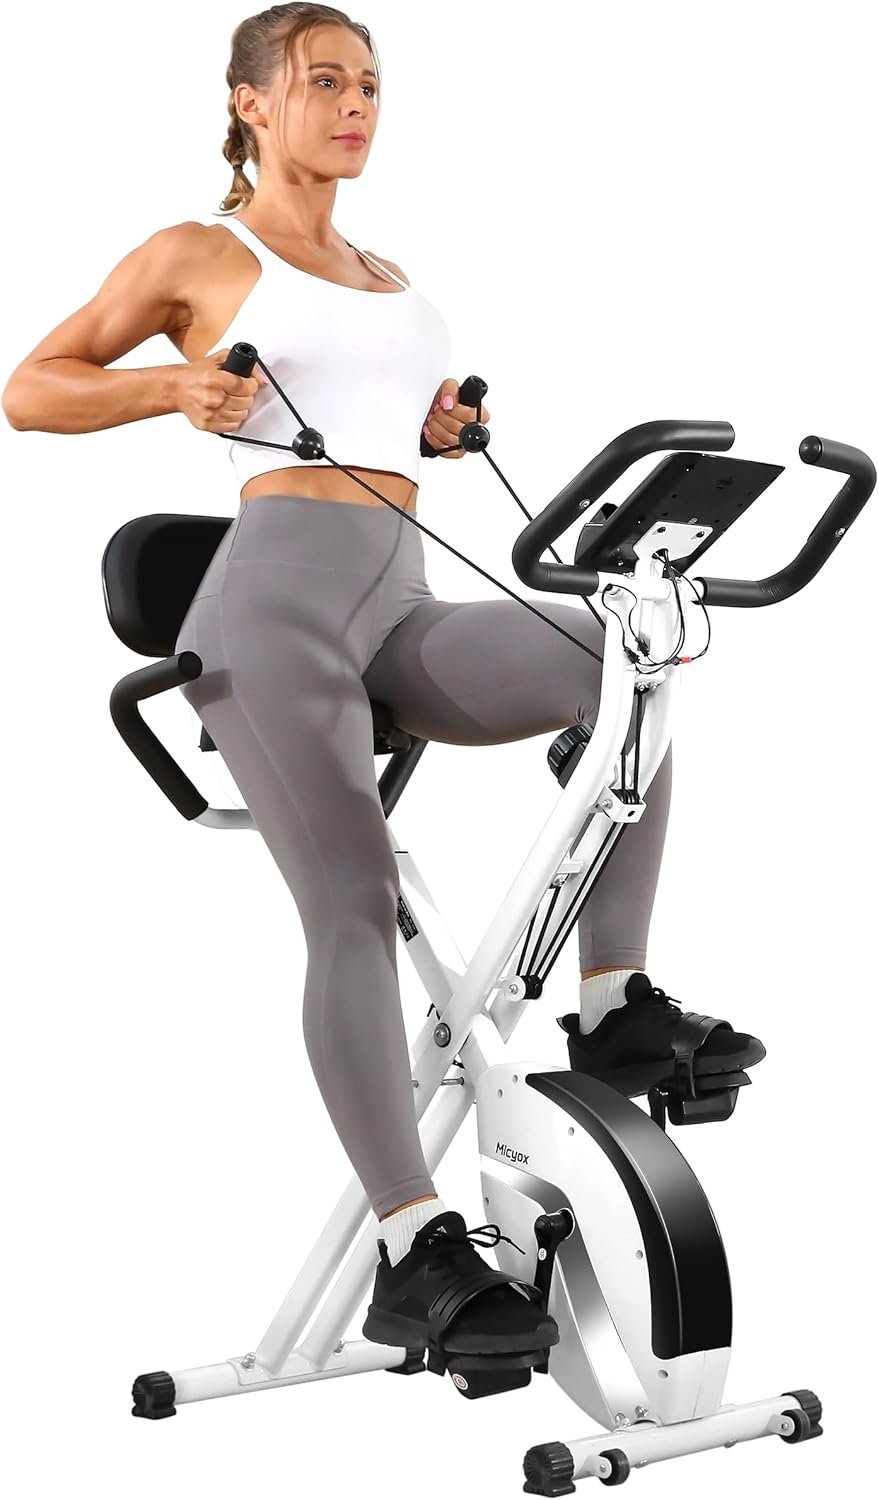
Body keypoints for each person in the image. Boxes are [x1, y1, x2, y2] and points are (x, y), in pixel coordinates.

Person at [2, 3, 764, 1361]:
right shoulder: (200, 252)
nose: (354, 106)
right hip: (268, 617)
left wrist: (435, 432)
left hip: (400, 600)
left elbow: (375, 425)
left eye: (369, 85)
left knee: (620, 656)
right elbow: (33, 387)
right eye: (323, 82)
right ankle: (415, 1245)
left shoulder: (392, 277)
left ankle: (614, 1007)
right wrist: (170, 391)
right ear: (251, 104)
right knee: (352, 904)